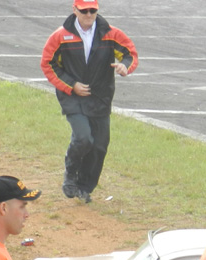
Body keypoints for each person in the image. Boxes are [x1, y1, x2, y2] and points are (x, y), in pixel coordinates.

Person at [40, 0, 137, 204]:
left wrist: (124, 67)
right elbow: (48, 64)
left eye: (93, 10)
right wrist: (71, 85)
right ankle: (70, 176)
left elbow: (129, 54)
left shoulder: (110, 33)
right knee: (84, 138)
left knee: (100, 146)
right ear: (74, 10)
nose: (89, 14)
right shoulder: (60, 36)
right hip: (73, 98)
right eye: (84, 11)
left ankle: (84, 187)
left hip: (100, 97)